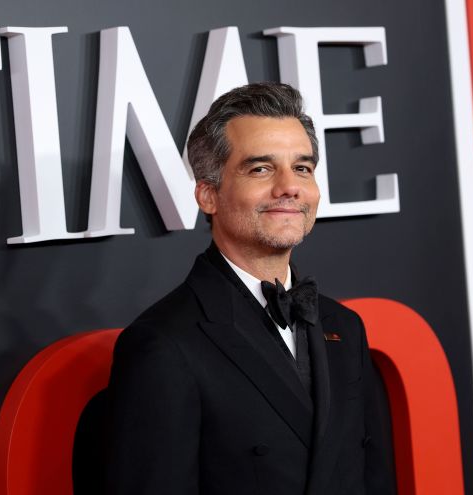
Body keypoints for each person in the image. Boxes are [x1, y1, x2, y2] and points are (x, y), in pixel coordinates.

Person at [104, 82, 395, 495]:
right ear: (208, 195)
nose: (289, 186)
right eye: (261, 169)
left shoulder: (344, 326)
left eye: (302, 168)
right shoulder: (164, 344)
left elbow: (374, 478)